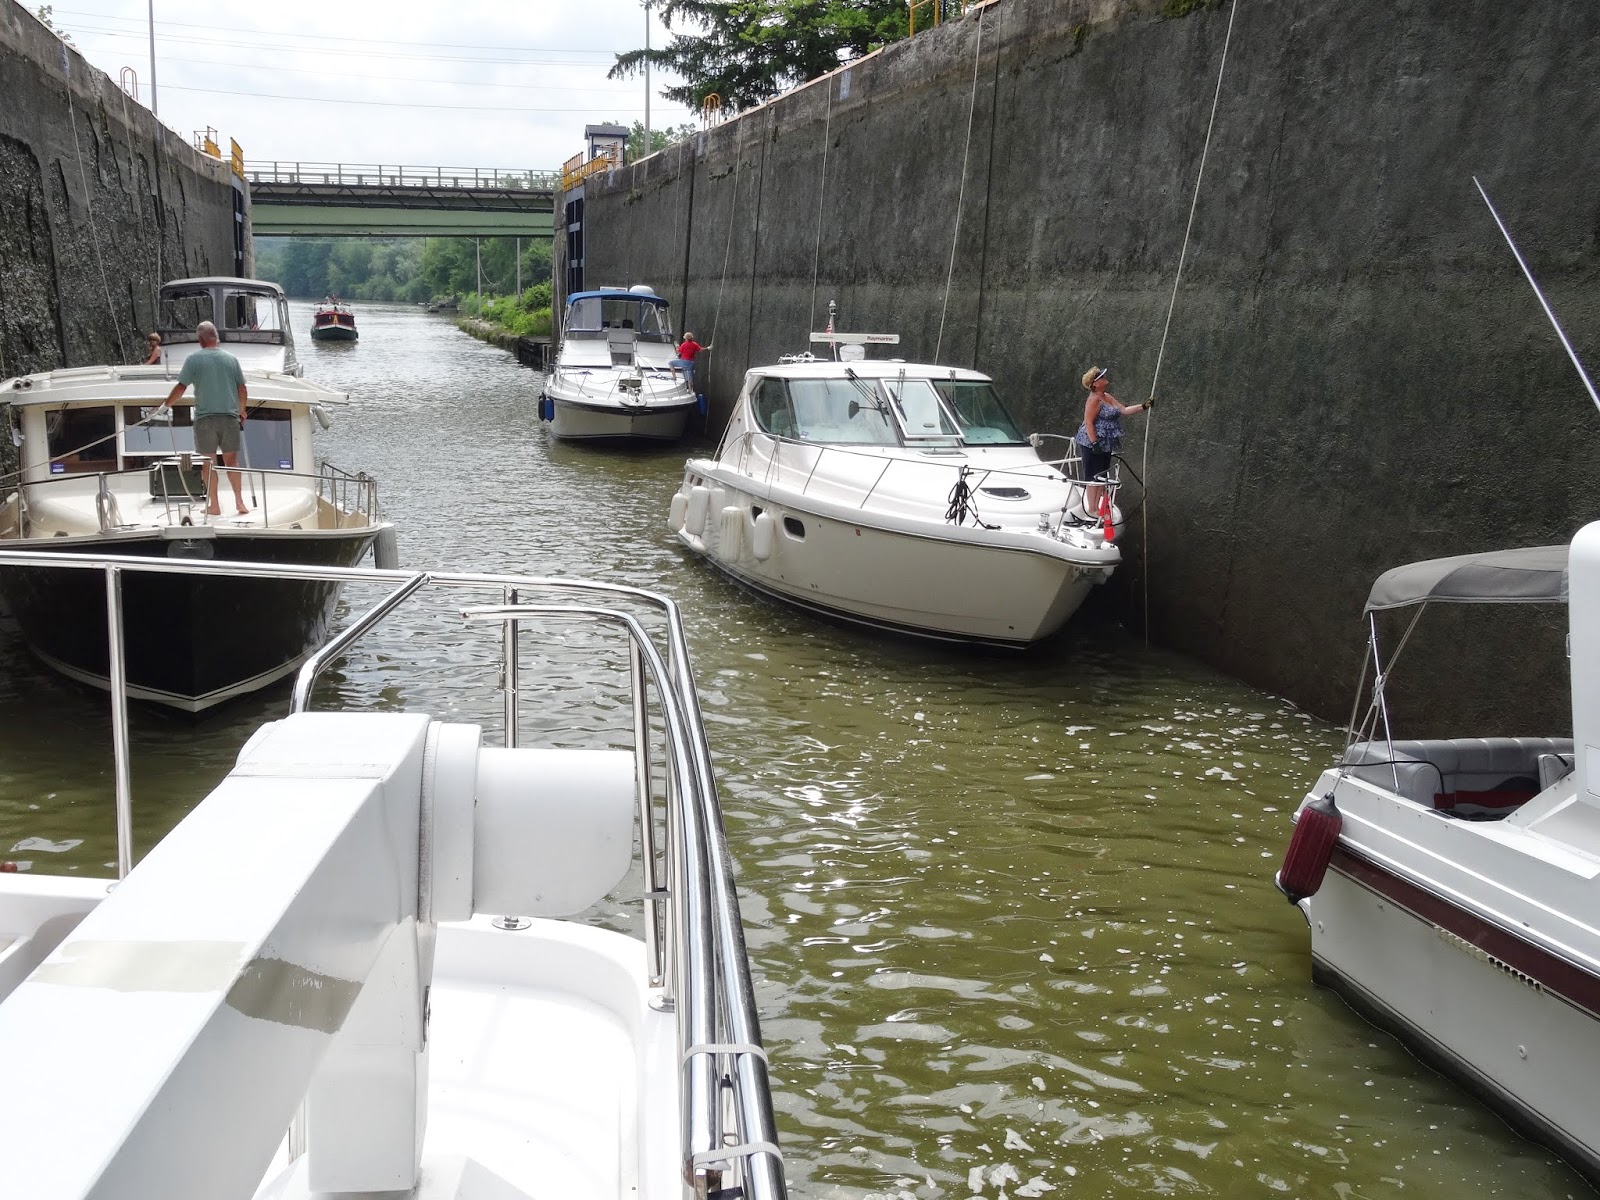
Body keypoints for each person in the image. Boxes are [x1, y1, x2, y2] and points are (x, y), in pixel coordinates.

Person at [158, 320, 249, 518]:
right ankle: (239, 501)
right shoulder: (231, 359)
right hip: (229, 418)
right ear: (215, 337)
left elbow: (181, 387)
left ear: (200, 339)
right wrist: (242, 410)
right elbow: (242, 388)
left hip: (205, 419)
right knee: (232, 461)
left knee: (208, 462)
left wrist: (166, 405)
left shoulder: (193, 360)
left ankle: (214, 505)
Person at [1074, 366, 1152, 517]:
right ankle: (1092, 508)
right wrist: (1094, 443)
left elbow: (1124, 410)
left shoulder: (1107, 396)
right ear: (1095, 384)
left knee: (1102, 473)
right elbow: (1088, 422)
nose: (1105, 378)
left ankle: (1097, 507)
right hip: (1092, 441)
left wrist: (1144, 406)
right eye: (1101, 377)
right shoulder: (1093, 400)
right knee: (1092, 475)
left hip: (1107, 441)